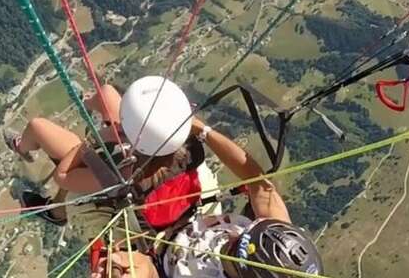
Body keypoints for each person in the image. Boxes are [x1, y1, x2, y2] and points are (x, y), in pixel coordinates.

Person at [90, 118, 324, 278]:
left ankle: (57, 208)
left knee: (89, 180)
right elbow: (259, 184)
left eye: (235, 245)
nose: (236, 235)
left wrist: (124, 265)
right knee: (145, 130)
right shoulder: (275, 236)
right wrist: (202, 130)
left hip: (156, 249)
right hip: (197, 215)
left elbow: (147, 268)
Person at [4, 76, 219, 228]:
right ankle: (86, 102)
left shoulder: (122, 174)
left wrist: (93, 140)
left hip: (112, 169)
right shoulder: (185, 147)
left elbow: (63, 177)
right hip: (140, 149)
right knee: (107, 92)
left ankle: (26, 152)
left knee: (37, 127)